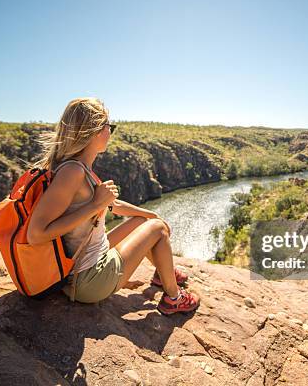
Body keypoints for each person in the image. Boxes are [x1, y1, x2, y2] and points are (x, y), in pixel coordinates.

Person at [26, 97, 200, 315]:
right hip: (88, 279)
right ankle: (174, 298)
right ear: (95, 130)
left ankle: (162, 272)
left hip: (88, 263)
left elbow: (112, 205)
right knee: (158, 230)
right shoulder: (73, 172)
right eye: (109, 126)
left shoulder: (81, 168)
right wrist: (95, 205)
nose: (111, 132)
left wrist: (149, 214)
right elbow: (36, 234)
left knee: (145, 222)